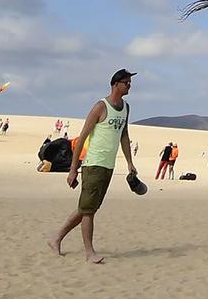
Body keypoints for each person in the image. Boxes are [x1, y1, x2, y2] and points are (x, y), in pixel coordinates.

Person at [50, 70, 142, 264]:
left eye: (130, 83)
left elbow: (124, 135)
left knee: (87, 208)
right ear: (116, 84)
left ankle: (56, 238)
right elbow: (82, 136)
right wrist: (73, 169)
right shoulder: (101, 107)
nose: (129, 86)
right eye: (126, 83)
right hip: (93, 164)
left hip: (108, 166)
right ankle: (89, 252)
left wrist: (129, 162)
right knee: (89, 210)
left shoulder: (126, 107)